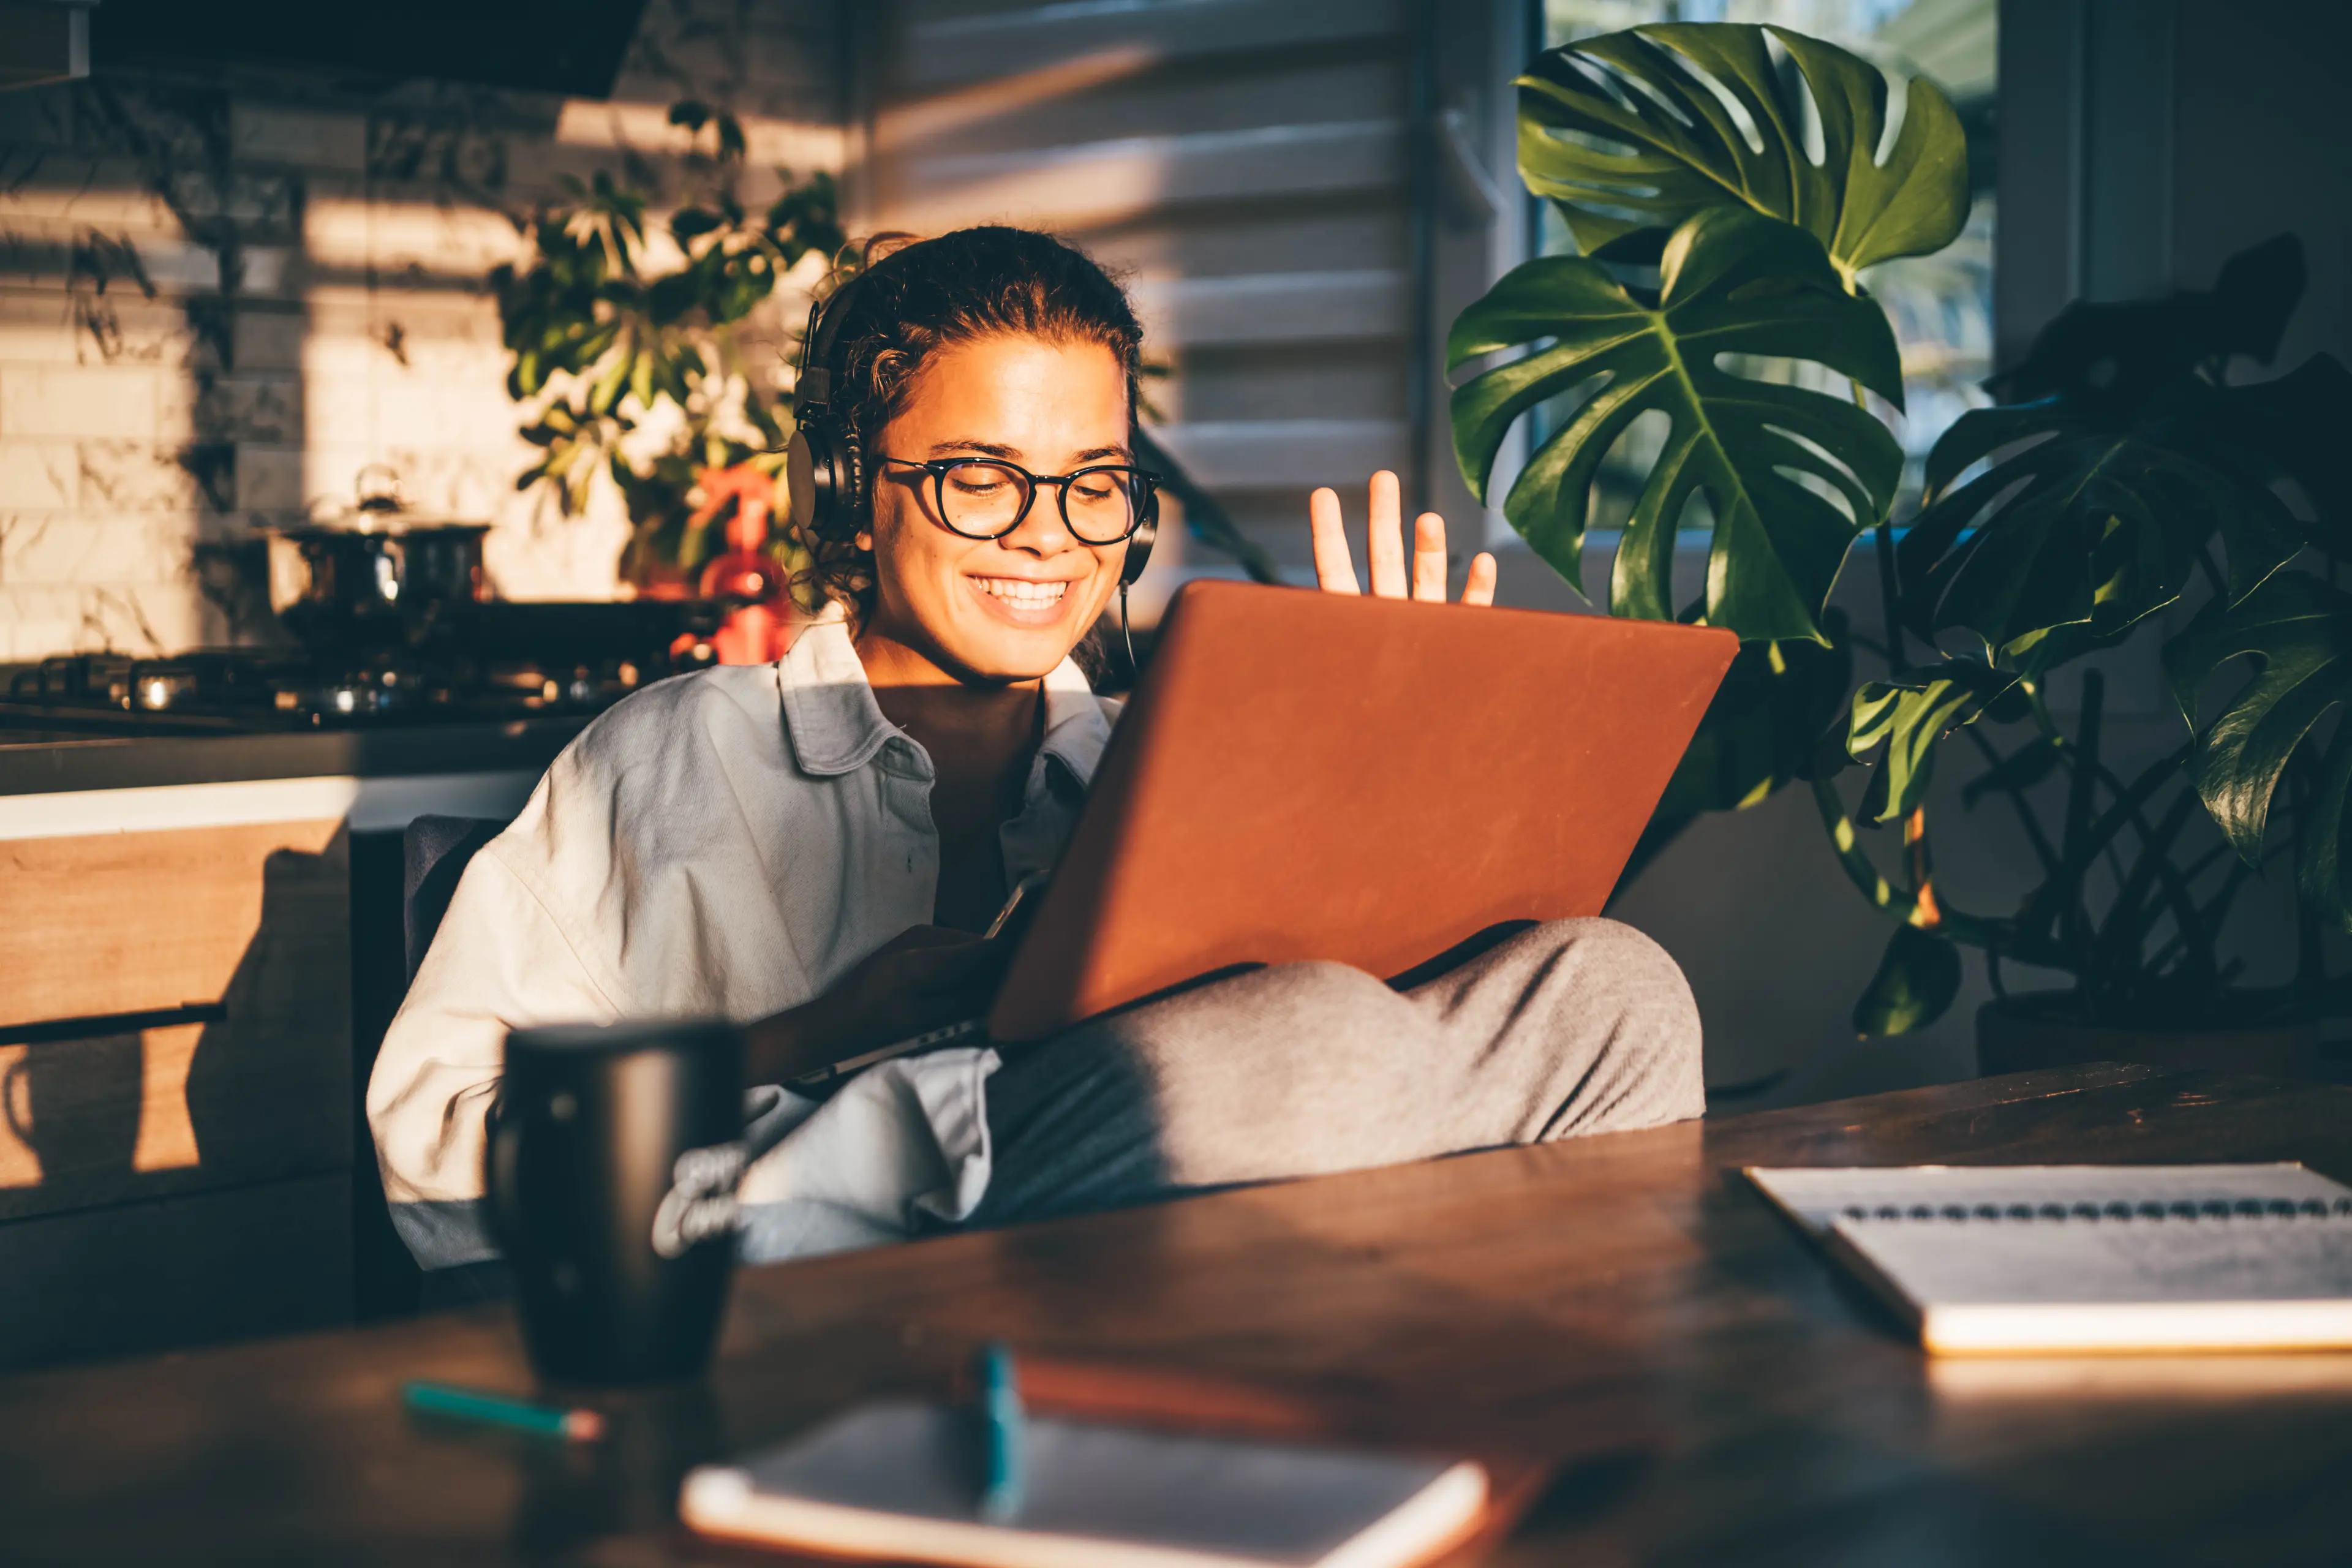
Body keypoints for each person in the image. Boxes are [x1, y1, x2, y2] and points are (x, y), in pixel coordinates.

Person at [368, 225, 1703, 1273]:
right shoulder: (666, 757)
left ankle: (1469, 1395)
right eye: (980, 474)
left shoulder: (1161, 759)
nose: (1047, 533)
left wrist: (1403, 808)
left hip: (1179, 1260)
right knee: (1315, 1034)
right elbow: (433, 1149)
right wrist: (807, 1035)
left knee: (1617, 988)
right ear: (850, 487)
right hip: (808, 1279)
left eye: (1093, 481)